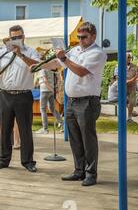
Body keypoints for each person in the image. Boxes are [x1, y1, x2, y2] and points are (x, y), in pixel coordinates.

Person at [42, 22, 107, 186]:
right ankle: (79, 171)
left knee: (88, 138)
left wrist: (64, 58)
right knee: (75, 138)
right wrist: (38, 65)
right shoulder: (75, 50)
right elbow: (57, 65)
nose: (80, 40)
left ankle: (91, 173)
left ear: (93, 36)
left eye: (83, 37)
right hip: (71, 101)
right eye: (78, 37)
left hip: (87, 101)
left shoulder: (98, 53)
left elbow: (81, 71)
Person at [0, 25, 40, 172]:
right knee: (4, 129)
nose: (15, 40)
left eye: (18, 37)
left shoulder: (31, 51)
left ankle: (28, 161)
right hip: (5, 94)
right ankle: (3, 160)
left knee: (25, 130)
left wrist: (21, 55)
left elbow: (36, 66)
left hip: (23, 95)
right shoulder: (2, 52)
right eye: (13, 38)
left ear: (24, 37)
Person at [36, 68, 64, 134]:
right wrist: (54, 90)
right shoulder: (52, 68)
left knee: (43, 109)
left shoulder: (42, 69)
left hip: (44, 90)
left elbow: (45, 81)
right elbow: (58, 79)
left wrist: (52, 89)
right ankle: (63, 125)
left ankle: (45, 129)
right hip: (51, 91)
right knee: (52, 109)